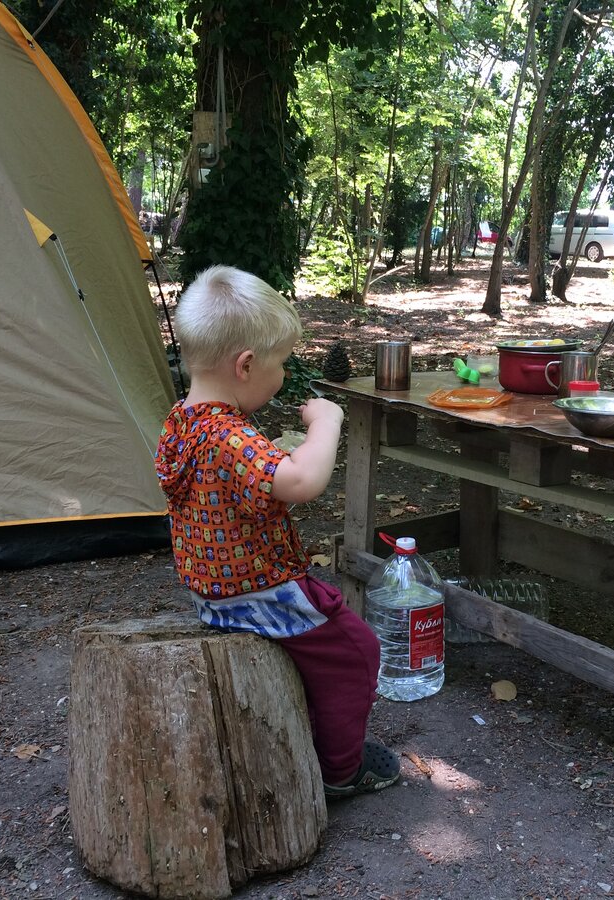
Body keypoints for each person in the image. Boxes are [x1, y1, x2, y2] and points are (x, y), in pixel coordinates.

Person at [155, 265, 399, 799]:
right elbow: (302, 479)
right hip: (259, 591)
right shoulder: (230, 436)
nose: (285, 375)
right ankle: (340, 771)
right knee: (356, 652)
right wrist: (327, 422)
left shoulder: (181, 420)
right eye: (282, 363)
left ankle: (310, 730)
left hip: (211, 591)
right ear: (246, 365)